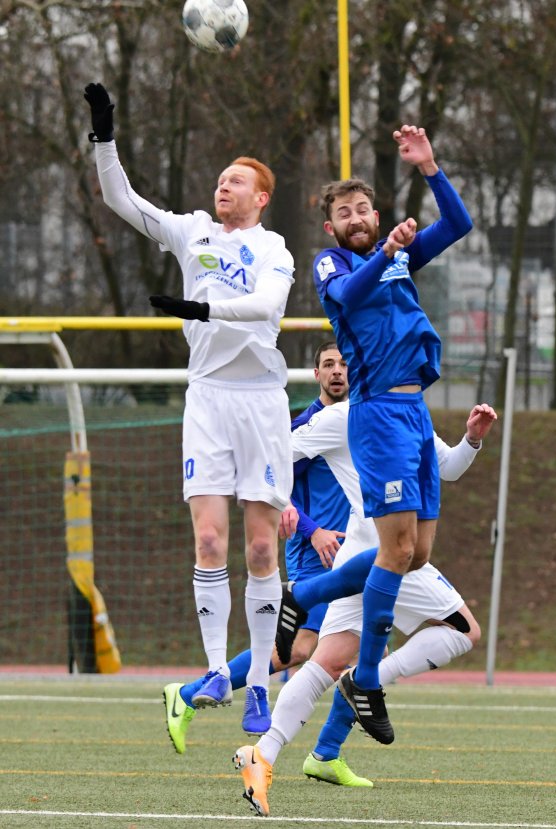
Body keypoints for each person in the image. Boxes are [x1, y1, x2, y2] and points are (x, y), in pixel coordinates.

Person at [84, 83, 296, 735]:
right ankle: (215, 672)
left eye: (236, 181)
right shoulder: (190, 232)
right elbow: (120, 198)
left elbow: (265, 308)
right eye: (220, 179)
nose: (222, 187)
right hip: (207, 397)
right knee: (209, 539)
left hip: (261, 402)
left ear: (261, 197)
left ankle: (258, 682)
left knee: (262, 547)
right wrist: (103, 136)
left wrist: (202, 307)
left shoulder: (274, 249)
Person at [233, 399, 497, 816]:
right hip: (391, 554)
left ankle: (262, 754)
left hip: (370, 550)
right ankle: (364, 679)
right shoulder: (342, 416)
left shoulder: (411, 411)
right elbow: (277, 452)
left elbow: (448, 467)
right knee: (465, 631)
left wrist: (472, 440)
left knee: (325, 663)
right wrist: (281, 501)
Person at [309, 125, 474, 742]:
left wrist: (430, 167)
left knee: (417, 555)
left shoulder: (399, 254)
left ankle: (312, 592)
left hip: (414, 413)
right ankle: (367, 679)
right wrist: (384, 253)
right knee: (398, 552)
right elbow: (350, 295)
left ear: (376, 215)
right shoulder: (338, 263)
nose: (354, 218)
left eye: (362, 209)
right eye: (342, 213)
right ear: (332, 227)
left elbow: (458, 225)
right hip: (376, 412)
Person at [161, 340, 350, 752]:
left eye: (344, 364)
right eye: (328, 364)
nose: (337, 371)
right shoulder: (304, 426)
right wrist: (313, 529)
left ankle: (325, 752)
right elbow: (276, 487)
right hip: (316, 552)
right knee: (303, 647)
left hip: (351, 552)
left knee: (354, 646)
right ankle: (192, 694)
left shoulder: (357, 420)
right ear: (316, 374)